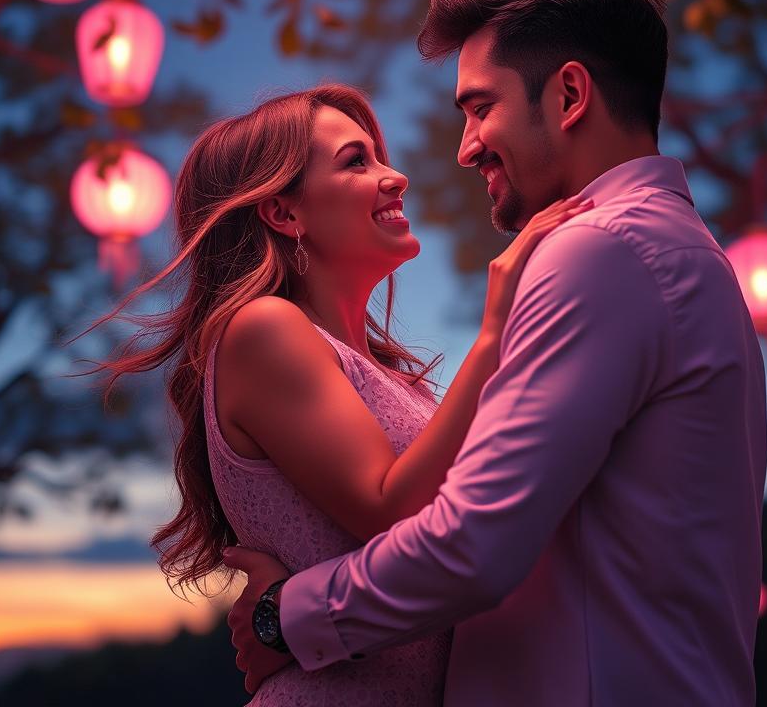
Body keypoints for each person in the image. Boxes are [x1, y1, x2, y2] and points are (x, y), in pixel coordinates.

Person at [224, 0, 767, 706]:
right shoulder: (678, 251)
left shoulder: (601, 250)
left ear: (570, 94)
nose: (465, 145)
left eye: (481, 107)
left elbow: (472, 546)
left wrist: (286, 616)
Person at [96, 80, 592, 705]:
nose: (396, 177)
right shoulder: (263, 329)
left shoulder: (386, 376)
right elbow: (392, 512)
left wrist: (281, 613)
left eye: (379, 157)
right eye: (357, 161)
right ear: (284, 212)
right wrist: (494, 332)